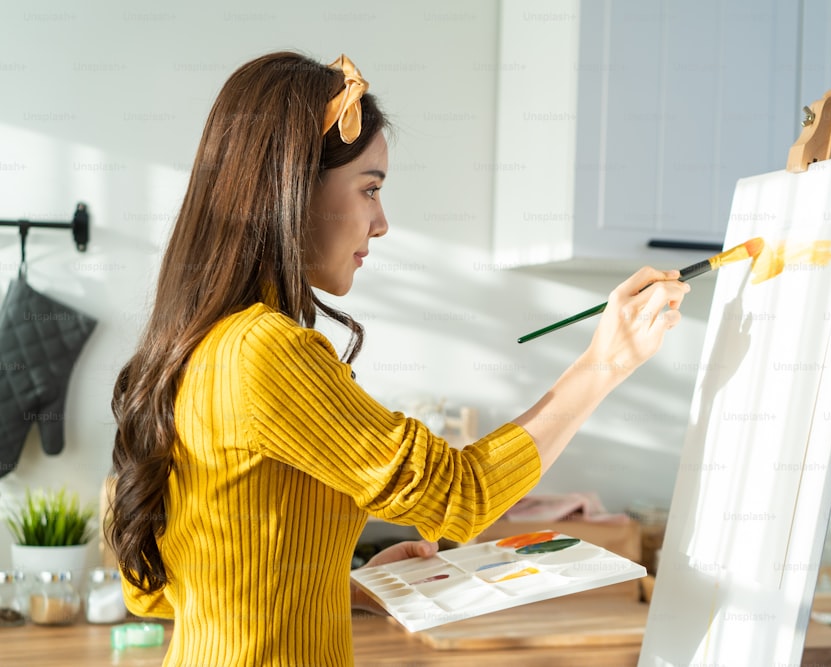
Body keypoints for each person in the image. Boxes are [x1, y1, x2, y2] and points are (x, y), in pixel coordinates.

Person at [108, 51, 690, 666]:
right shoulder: (266, 351)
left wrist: (342, 586)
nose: (381, 223)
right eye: (370, 189)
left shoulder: (202, 344)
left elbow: (161, 590)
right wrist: (604, 364)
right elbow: (459, 496)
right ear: (293, 187)